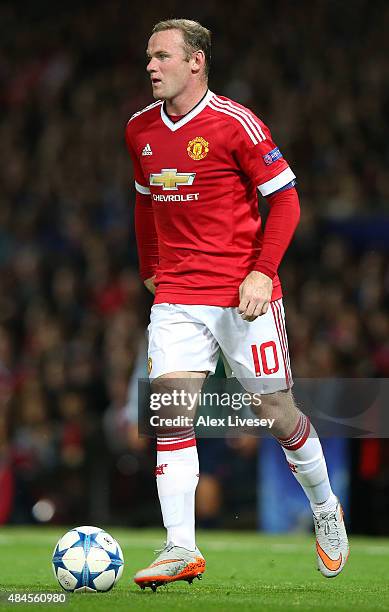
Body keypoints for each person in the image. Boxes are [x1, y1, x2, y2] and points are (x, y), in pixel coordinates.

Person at [125, 18, 349, 591]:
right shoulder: (139, 130)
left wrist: (261, 272)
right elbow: (146, 203)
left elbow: (288, 201)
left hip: (242, 296)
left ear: (195, 61)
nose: (151, 65)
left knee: (277, 415)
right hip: (178, 297)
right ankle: (180, 547)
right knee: (172, 412)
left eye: (162, 56)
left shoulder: (235, 124)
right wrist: (151, 268)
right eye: (148, 57)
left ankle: (325, 506)